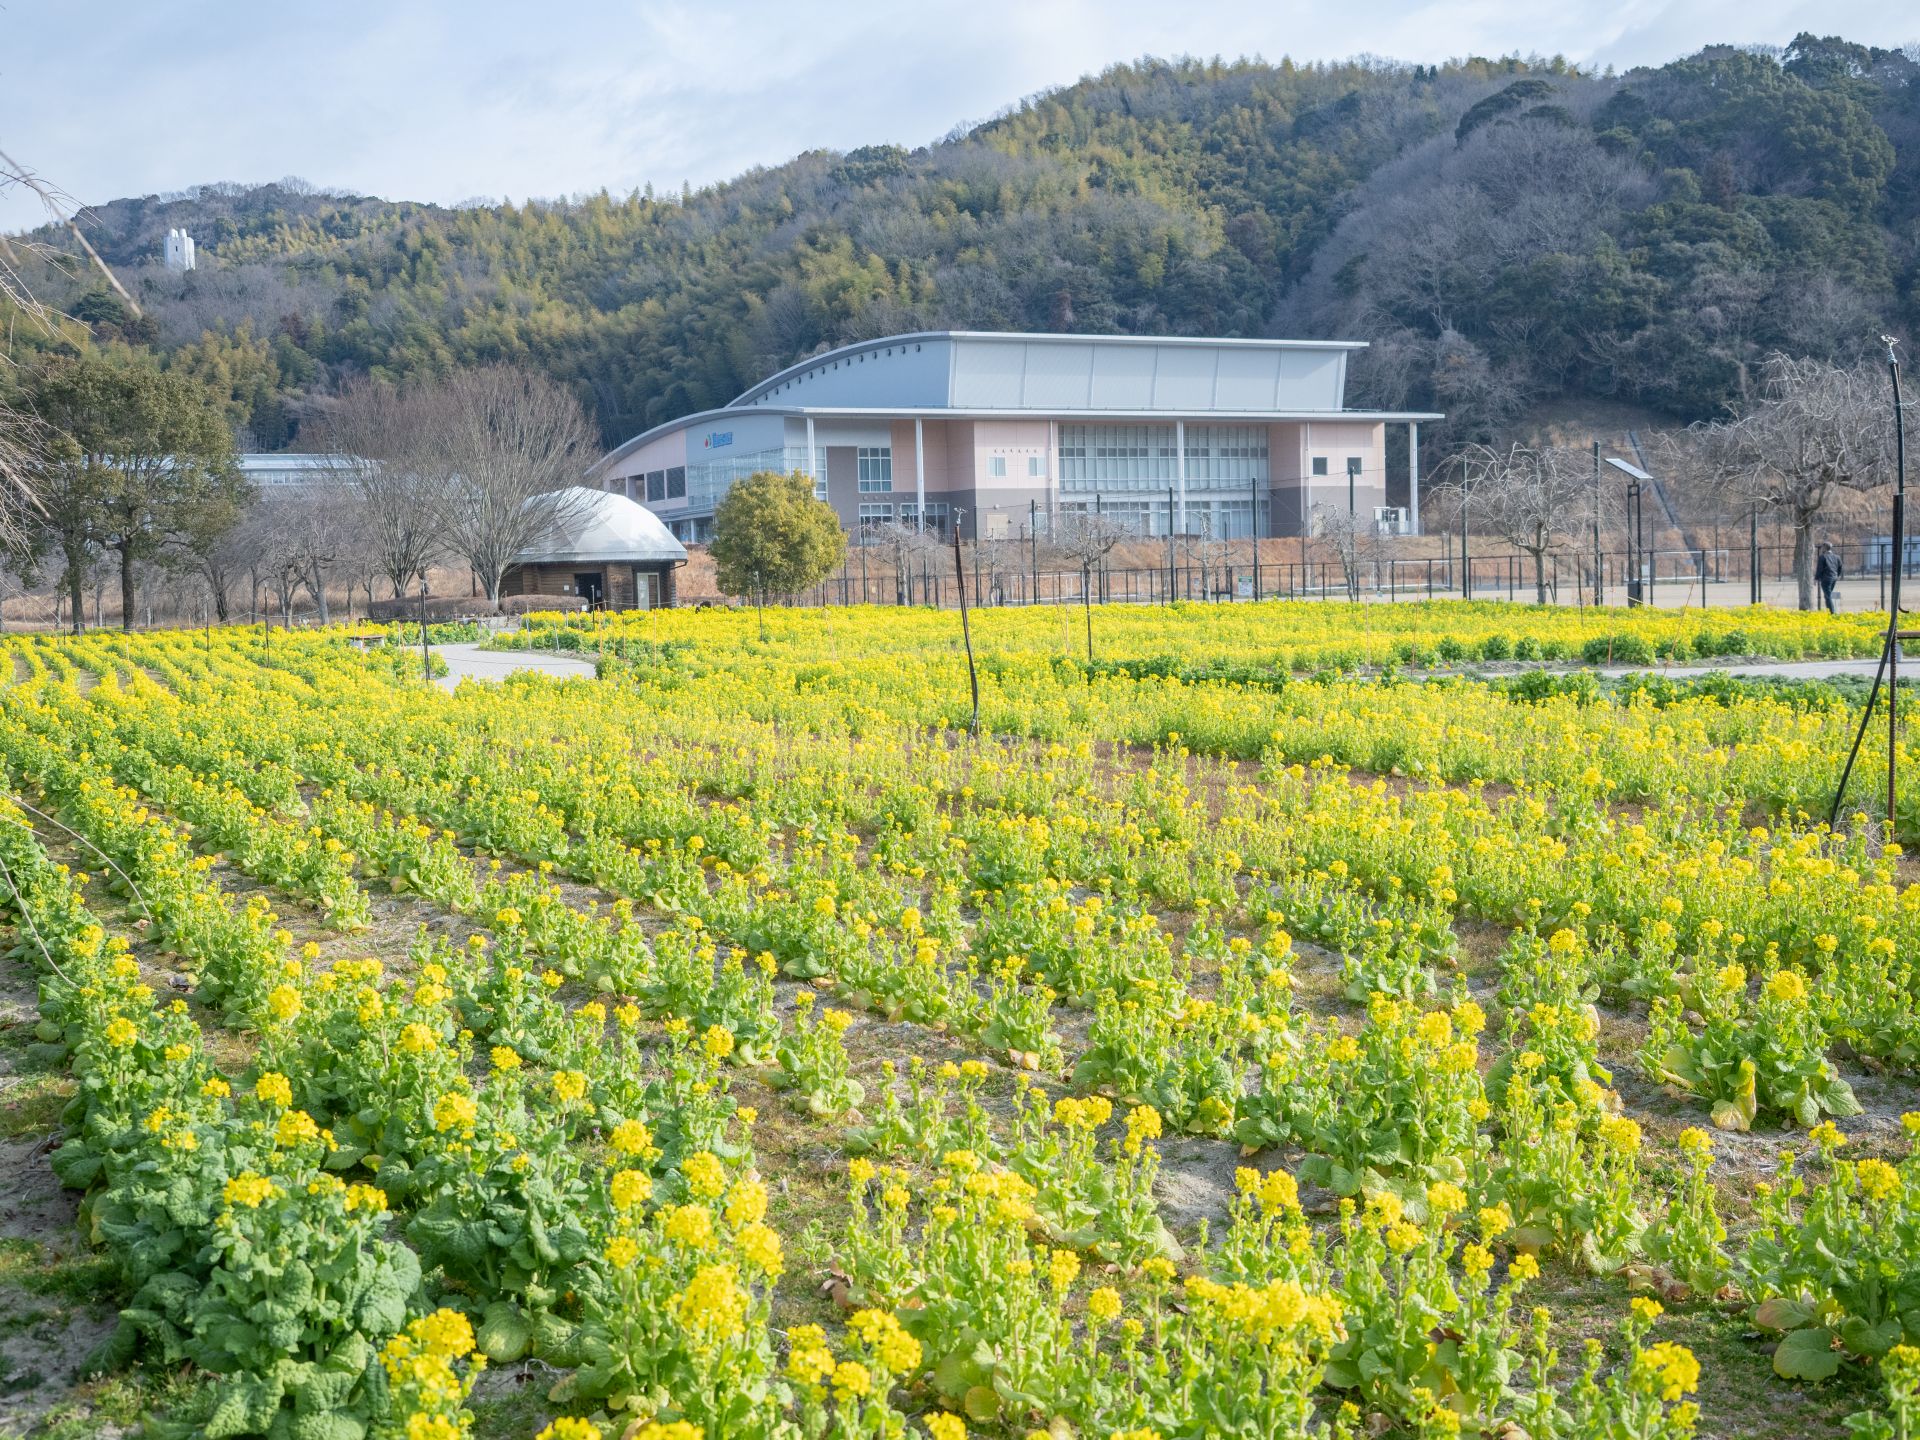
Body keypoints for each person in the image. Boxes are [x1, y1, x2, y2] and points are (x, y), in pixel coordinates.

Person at [1816, 542, 1842, 613]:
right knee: (1828, 595)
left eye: (1822, 547)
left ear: (1824, 548)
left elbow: (1819, 569)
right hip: (1834, 578)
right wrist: (1837, 575)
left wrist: (1816, 578)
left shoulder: (1822, 557)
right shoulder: (1837, 557)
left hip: (1826, 579)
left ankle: (1832, 613)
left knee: (1828, 596)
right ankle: (1830, 611)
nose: (1821, 549)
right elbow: (1840, 567)